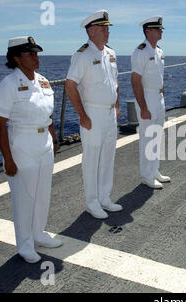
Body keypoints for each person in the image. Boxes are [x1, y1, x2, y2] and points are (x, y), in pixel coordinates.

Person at [0, 36, 62, 263]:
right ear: (16, 58)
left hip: (44, 145)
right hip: (22, 145)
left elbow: (48, 115)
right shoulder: (9, 84)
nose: (36, 58)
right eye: (30, 54)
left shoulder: (43, 81)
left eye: (36, 53)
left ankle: (39, 234)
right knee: (25, 198)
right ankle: (25, 245)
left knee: (43, 194)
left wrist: (53, 139)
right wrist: (8, 159)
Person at [65, 10, 122, 219]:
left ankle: (104, 197)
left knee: (108, 156)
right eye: (103, 28)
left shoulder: (110, 53)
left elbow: (115, 83)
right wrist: (82, 115)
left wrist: (116, 105)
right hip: (93, 113)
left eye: (107, 28)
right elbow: (70, 86)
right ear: (91, 31)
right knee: (92, 159)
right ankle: (92, 202)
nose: (107, 32)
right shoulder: (82, 55)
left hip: (109, 114)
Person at [131, 16, 170, 189]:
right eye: (158, 29)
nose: (161, 31)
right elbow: (135, 81)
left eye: (161, 29)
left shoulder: (159, 51)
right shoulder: (141, 52)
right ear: (148, 31)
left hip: (159, 98)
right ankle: (146, 175)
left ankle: (154, 171)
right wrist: (143, 107)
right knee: (147, 139)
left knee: (156, 136)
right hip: (147, 98)